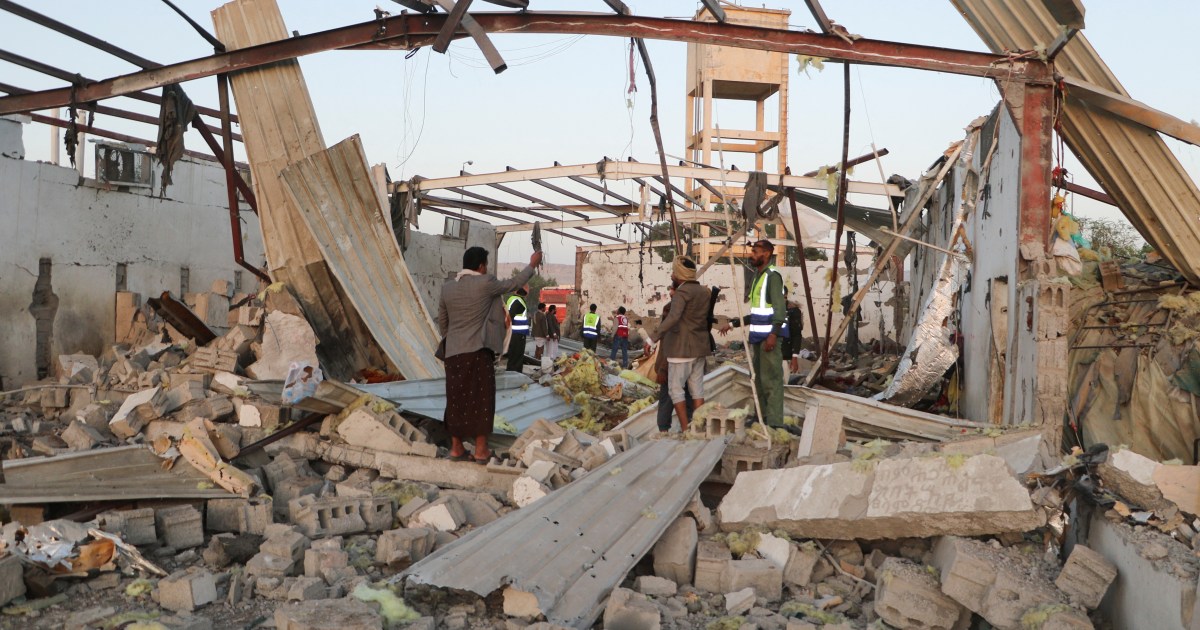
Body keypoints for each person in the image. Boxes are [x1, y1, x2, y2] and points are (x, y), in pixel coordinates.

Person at [438, 247, 542, 463]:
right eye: (486, 265)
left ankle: (456, 448)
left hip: (453, 354)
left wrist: (455, 342)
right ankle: (480, 450)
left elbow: (443, 323)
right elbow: (513, 283)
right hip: (477, 352)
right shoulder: (486, 283)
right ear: (481, 266)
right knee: (481, 400)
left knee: (455, 400)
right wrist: (532, 264)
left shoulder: (447, 288)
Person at [720, 239, 791, 426]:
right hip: (758, 338)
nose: (752, 255)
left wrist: (773, 335)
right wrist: (733, 324)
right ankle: (762, 417)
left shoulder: (772, 277)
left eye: (755, 251)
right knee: (759, 379)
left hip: (769, 338)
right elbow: (757, 314)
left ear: (766, 254)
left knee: (772, 380)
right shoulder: (758, 277)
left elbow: (780, 310)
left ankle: (774, 423)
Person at [650, 257, 710, 432]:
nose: (672, 275)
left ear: (679, 275)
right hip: (699, 349)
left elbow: (673, 318)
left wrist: (652, 339)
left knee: (675, 390)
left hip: (681, 350)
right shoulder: (704, 292)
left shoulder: (682, 293)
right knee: (697, 390)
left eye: (674, 272)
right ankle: (698, 429)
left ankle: (686, 429)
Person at [654, 285, 694, 432]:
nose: (670, 292)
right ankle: (687, 429)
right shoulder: (690, 309)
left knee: (667, 399)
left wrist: (663, 368)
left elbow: (669, 340)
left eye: (673, 289)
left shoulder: (672, 310)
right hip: (688, 362)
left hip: (674, 363)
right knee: (686, 397)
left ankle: (665, 430)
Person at [504, 287, 530, 372]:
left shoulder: (512, 299)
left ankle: (511, 372)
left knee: (513, 354)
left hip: (514, 332)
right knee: (517, 355)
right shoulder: (518, 301)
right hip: (518, 333)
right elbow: (511, 315)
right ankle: (515, 373)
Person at [780, 300, 805, 384]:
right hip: (769, 354)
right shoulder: (768, 309)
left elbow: (796, 335)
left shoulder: (793, 312)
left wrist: (794, 357)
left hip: (784, 356)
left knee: (783, 383)